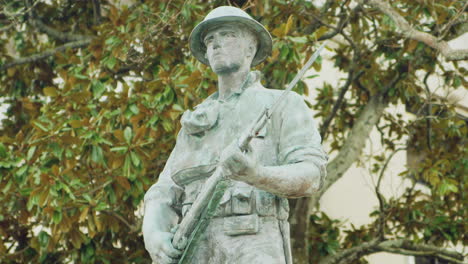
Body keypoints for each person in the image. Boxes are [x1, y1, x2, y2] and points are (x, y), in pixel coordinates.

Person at [142, 6, 327, 264]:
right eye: (209, 40)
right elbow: (163, 192)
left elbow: (311, 175)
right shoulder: (195, 122)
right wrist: (153, 234)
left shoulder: (283, 104)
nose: (216, 44)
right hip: (194, 248)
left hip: (254, 243)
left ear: (250, 48)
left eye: (227, 35)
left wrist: (257, 175)